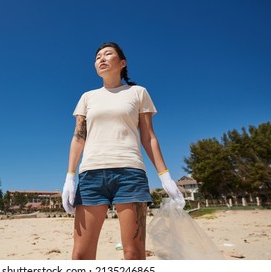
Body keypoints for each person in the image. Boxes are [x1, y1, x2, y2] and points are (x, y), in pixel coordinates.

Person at [62, 42, 185, 260]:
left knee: (134, 254)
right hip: (91, 176)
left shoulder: (138, 93)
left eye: (108, 54)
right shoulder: (87, 97)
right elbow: (78, 138)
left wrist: (165, 177)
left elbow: (148, 137)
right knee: (80, 255)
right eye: (98, 56)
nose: (101, 58)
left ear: (122, 63)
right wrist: (70, 178)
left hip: (130, 175)